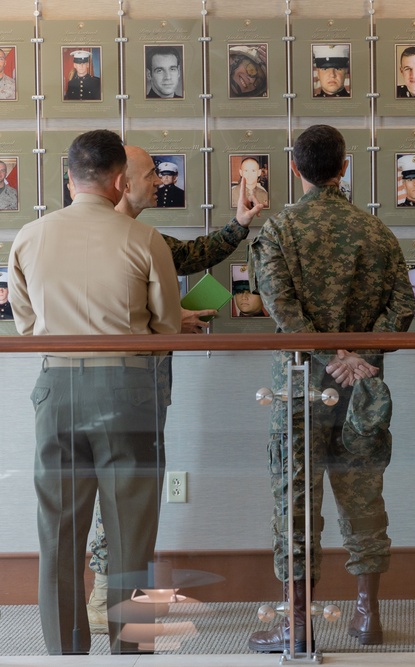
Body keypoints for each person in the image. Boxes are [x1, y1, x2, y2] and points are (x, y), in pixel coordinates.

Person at [8, 129, 181, 655]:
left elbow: (25, 325)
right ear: (119, 180)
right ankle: (133, 654)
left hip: (55, 388)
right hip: (128, 389)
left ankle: (64, 653)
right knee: (133, 536)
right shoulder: (144, 239)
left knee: (58, 536)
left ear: (69, 179)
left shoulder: (28, 236)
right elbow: (169, 327)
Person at [247, 124, 415, 652]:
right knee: (364, 498)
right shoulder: (376, 231)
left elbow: (282, 309)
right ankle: (367, 615)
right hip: (361, 387)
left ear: (295, 169)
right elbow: (404, 308)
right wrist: (356, 357)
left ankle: (297, 622)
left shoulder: (277, 231)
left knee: (293, 502)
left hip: (298, 387)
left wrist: (327, 356)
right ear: (344, 168)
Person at [83, 142, 253, 634]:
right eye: (149, 173)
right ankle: (102, 600)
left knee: (134, 491)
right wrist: (172, 324)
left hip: (143, 384)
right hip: (116, 385)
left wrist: (239, 224)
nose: (159, 180)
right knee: (117, 490)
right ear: (122, 180)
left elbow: (191, 256)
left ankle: (121, 594)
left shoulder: (143, 235)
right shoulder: (100, 239)